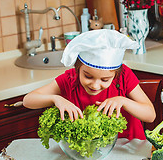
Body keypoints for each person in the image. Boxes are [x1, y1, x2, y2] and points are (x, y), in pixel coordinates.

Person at [23, 29, 156, 141]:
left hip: (129, 149)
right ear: (77, 68)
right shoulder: (70, 79)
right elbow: (28, 100)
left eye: (105, 80)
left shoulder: (124, 76)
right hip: (90, 153)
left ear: (115, 75)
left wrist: (123, 101)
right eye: (88, 76)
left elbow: (150, 115)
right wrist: (56, 99)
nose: (95, 85)